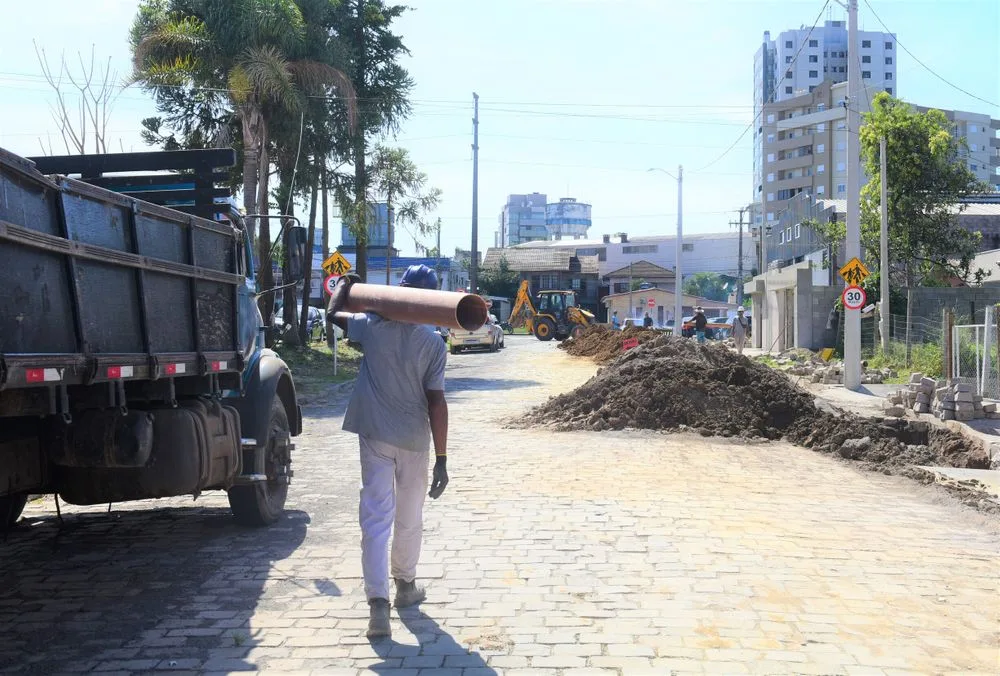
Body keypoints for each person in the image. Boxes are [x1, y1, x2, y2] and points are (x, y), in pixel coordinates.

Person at [326, 264, 450, 640]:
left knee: (376, 519)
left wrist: (346, 284)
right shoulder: (433, 343)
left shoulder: (372, 327)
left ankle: (377, 607)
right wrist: (442, 458)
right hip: (413, 440)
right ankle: (405, 587)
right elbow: (437, 404)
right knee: (409, 517)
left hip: (374, 434)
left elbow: (332, 314)